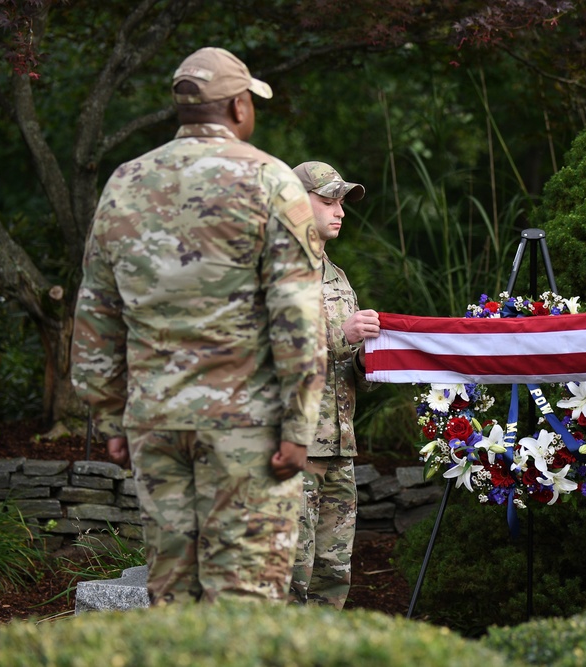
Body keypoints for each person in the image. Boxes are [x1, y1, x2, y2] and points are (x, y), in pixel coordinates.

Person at [71, 47, 326, 605]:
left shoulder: (126, 183)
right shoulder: (271, 181)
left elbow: (96, 312)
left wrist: (111, 417)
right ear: (238, 107)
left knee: (172, 599)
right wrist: (299, 427)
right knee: (243, 602)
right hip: (247, 429)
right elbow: (298, 317)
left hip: (156, 425)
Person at [289, 161, 379, 608]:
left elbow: (348, 371)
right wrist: (340, 337)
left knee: (331, 577)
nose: (339, 210)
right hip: (293, 450)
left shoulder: (337, 276)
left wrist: (369, 358)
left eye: (341, 201)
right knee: (288, 577)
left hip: (338, 448)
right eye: (327, 201)